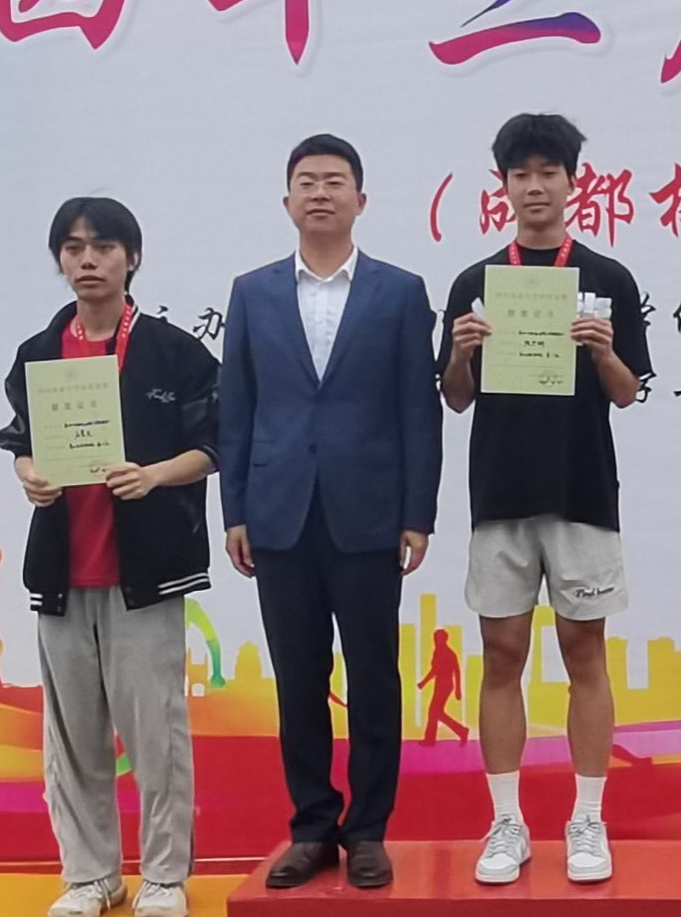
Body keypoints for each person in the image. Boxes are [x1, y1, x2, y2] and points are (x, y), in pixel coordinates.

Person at [218, 134, 442, 890]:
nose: (320, 192)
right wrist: (236, 510)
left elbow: (418, 411)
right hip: (279, 512)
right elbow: (236, 410)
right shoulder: (252, 292)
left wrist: (418, 514)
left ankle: (368, 829)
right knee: (298, 679)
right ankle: (312, 826)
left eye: (335, 181)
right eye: (307, 181)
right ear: (287, 201)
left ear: (360, 200)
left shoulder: (400, 292)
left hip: (369, 513)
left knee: (375, 677)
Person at [439, 112, 650, 886]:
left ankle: (587, 818)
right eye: (520, 174)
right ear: (503, 186)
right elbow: (456, 397)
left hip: (582, 492)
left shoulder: (607, 278)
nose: (535, 186)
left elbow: (627, 393)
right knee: (502, 655)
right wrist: (462, 352)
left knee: (584, 652)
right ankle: (507, 823)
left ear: (571, 182)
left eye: (547, 173)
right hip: (499, 494)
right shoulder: (475, 283)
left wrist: (604, 353)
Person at [0, 196, 219, 917]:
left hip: (145, 572)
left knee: (156, 733)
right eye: (73, 248)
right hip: (63, 570)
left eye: (103, 247)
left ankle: (164, 875)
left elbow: (216, 445)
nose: (87, 260)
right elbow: (21, 439)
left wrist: (154, 475)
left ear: (132, 258)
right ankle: (91, 874)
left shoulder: (173, 351)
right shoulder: (38, 352)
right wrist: (30, 472)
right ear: (59, 260)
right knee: (71, 737)